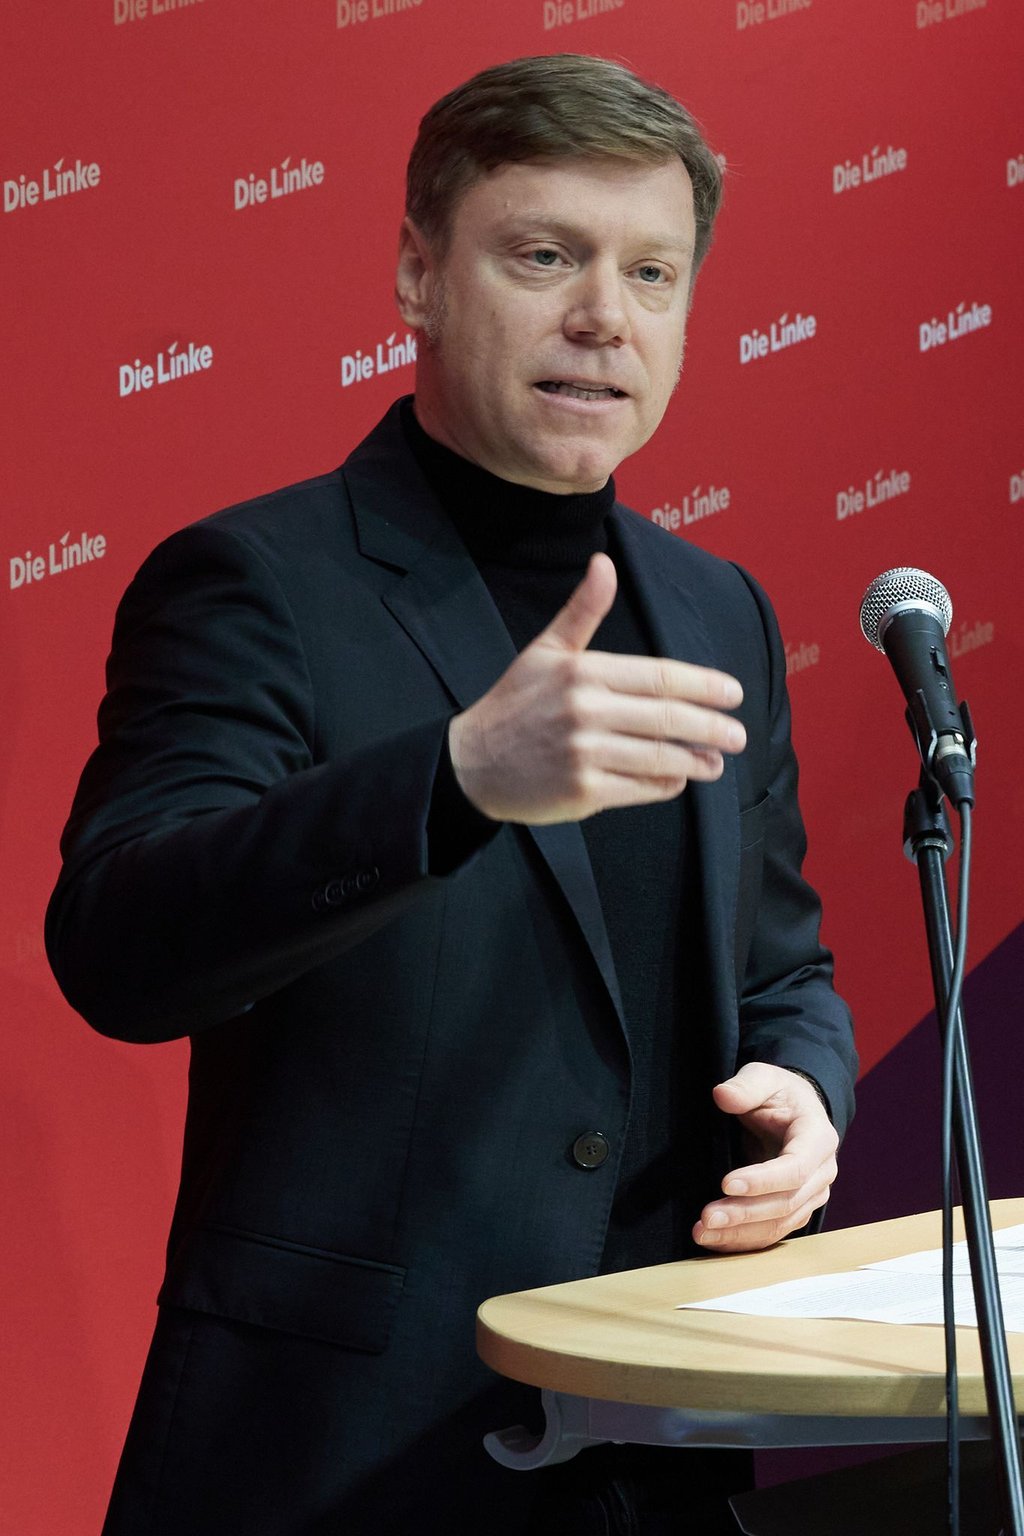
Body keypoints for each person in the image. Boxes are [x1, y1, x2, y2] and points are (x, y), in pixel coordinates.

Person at [47, 53, 856, 1536]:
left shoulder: (718, 608)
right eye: (544, 256)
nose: (604, 316)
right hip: (343, 1461)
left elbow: (784, 965)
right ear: (419, 275)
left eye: (653, 272)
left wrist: (806, 1093)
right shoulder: (255, 583)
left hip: (651, 1447)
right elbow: (119, 941)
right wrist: (460, 776)